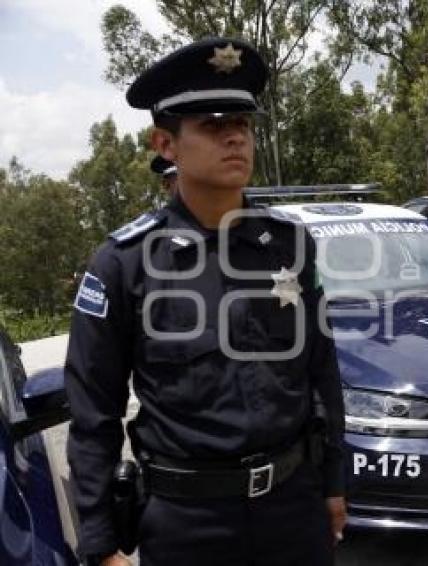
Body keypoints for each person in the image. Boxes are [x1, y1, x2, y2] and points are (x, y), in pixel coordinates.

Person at [65, 37, 346, 566]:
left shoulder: (290, 246)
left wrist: (333, 481)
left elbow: (321, 372)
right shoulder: (125, 263)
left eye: (242, 124)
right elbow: (93, 411)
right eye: (214, 126)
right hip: (187, 524)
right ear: (166, 146)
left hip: (294, 508)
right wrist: (100, 542)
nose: (235, 138)